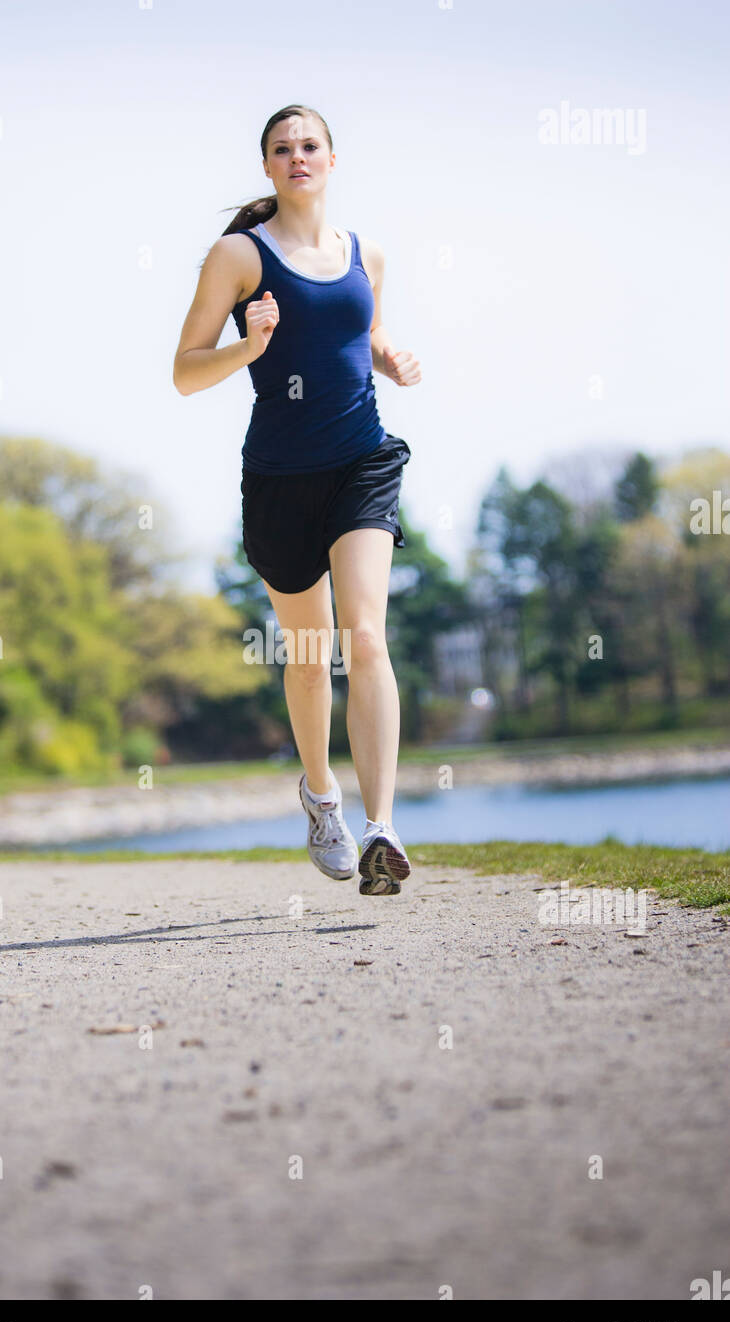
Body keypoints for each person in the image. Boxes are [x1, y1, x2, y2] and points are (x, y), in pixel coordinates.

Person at [173, 104, 421, 894]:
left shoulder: (366, 254)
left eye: (309, 145)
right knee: (310, 659)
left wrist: (392, 358)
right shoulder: (238, 256)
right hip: (281, 476)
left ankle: (382, 829)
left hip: (362, 458)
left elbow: (361, 338)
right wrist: (250, 346)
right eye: (283, 149)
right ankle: (321, 797)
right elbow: (185, 370)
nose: (297, 157)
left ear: (333, 159)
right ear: (268, 167)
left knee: (367, 636)